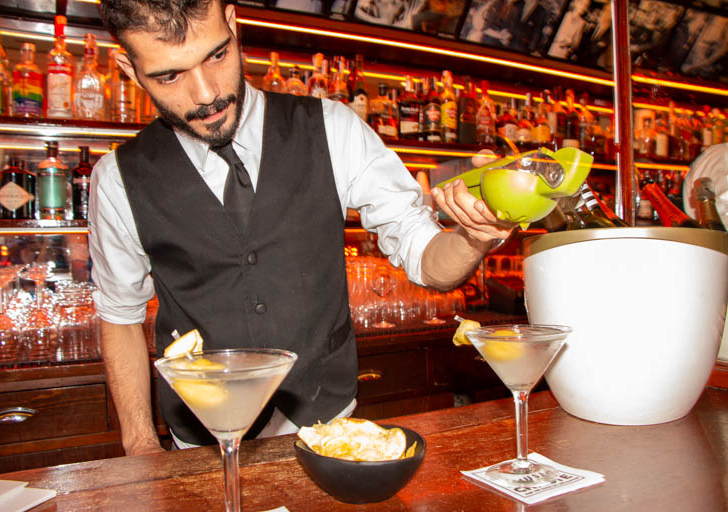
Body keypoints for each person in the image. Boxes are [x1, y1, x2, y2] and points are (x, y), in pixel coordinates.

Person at [92, 0, 513, 456]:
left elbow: (429, 261)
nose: (206, 93)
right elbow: (120, 316)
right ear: (128, 68)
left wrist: (474, 235)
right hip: (200, 444)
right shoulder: (118, 178)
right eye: (169, 75)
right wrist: (139, 445)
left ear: (233, 25)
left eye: (217, 55)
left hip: (328, 426)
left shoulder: (333, 128)